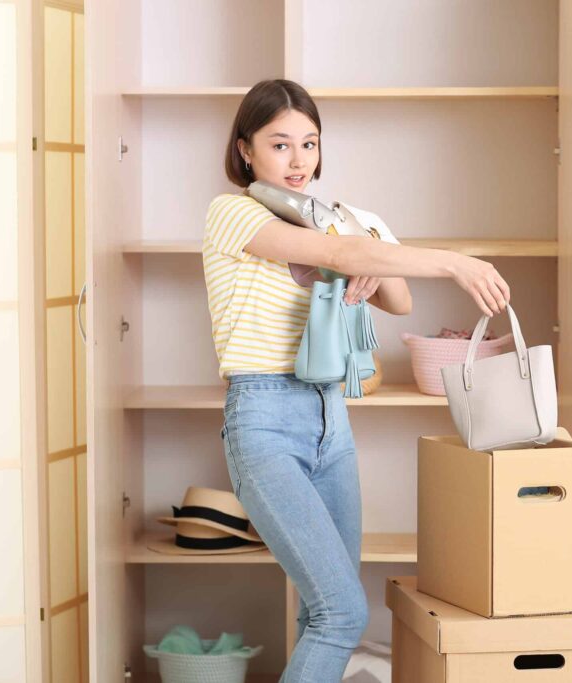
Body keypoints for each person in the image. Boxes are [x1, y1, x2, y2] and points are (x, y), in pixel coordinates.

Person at [203, 78, 510, 682]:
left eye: (310, 144)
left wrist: (362, 245)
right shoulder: (230, 213)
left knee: (320, 612)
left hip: (330, 424)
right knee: (343, 613)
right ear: (245, 150)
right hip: (263, 421)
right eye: (280, 144)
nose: (299, 161)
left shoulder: (331, 222)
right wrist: (453, 260)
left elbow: (397, 299)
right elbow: (339, 258)